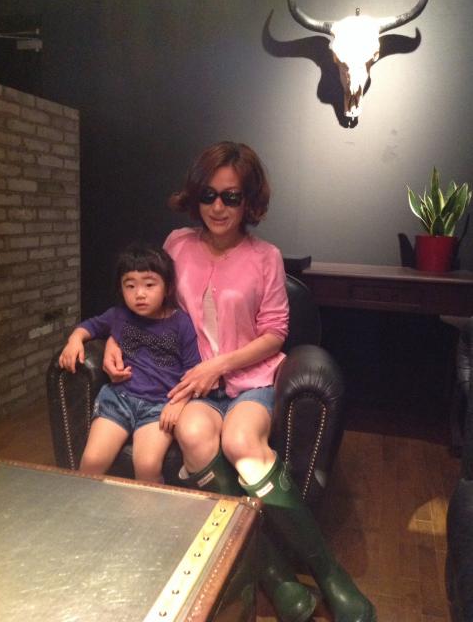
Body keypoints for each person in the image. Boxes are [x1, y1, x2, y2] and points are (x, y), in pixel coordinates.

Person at [103, 142, 376, 622]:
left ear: (249, 201)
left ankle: (330, 574)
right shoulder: (176, 245)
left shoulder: (265, 256)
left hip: (249, 379)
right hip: (192, 384)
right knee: (193, 434)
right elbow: (149, 307)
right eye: (209, 194)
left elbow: (275, 332)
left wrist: (219, 366)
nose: (218, 207)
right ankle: (276, 578)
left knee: (242, 442)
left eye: (231, 196)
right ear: (196, 196)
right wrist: (111, 339)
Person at [59, 244, 200, 483]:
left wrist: (179, 403)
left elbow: (193, 371)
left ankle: (147, 508)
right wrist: (74, 340)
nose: (139, 294)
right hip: (118, 399)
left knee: (146, 466)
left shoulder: (181, 323)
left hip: (158, 406)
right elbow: (90, 326)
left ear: (167, 287)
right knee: (91, 462)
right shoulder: (119, 315)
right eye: (130, 286)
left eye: (149, 284)